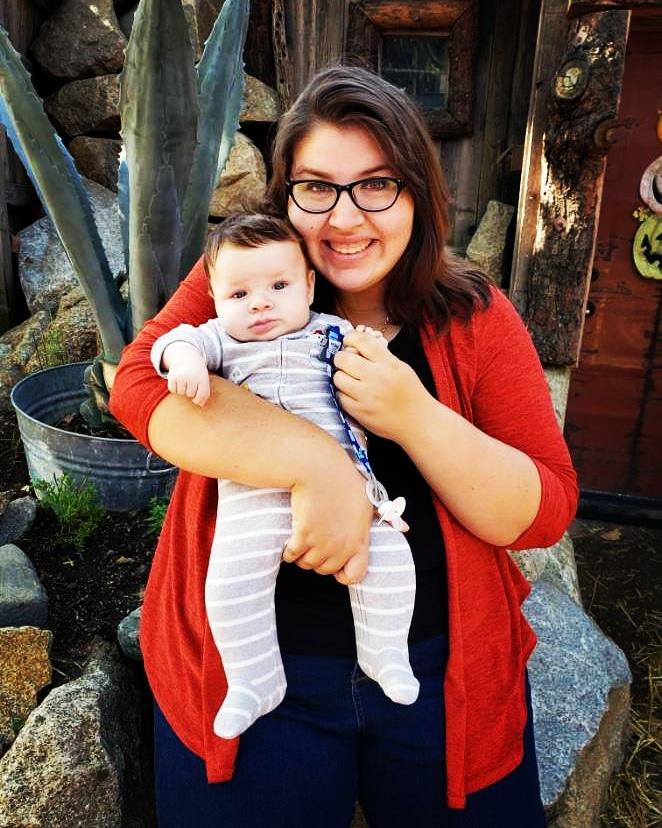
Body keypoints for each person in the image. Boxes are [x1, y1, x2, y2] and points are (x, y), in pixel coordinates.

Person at [109, 64, 578, 826]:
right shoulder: (252, 276)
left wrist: (414, 416)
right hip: (252, 675)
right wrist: (319, 465)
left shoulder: (477, 318)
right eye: (317, 187)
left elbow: (544, 512)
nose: (346, 216)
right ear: (284, 196)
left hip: (436, 674)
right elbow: (139, 383)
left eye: (377, 185)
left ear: (418, 193)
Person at [150, 212, 419, 741]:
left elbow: (378, 368)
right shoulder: (220, 340)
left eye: (278, 286)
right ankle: (254, 681)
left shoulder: (331, 331)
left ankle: (386, 651)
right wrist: (182, 361)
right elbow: (171, 342)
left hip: (350, 493)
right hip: (254, 496)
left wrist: (372, 351)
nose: (260, 303)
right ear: (214, 298)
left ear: (308, 286)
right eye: (239, 294)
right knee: (231, 584)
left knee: (390, 558)